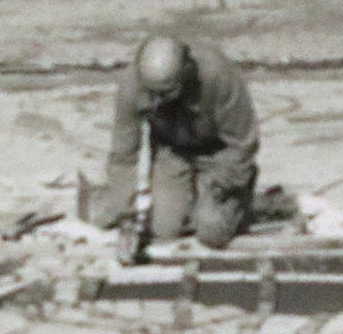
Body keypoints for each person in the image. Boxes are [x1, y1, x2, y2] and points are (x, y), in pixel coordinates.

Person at [97, 35, 259, 250]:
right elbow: (124, 156)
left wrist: (214, 188)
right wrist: (126, 219)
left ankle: (236, 201)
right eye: (152, 94)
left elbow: (242, 145)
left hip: (218, 154)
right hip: (172, 151)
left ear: (186, 72)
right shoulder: (133, 85)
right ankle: (194, 204)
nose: (157, 101)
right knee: (164, 231)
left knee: (211, 231)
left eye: (166, 93)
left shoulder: (217, 75)